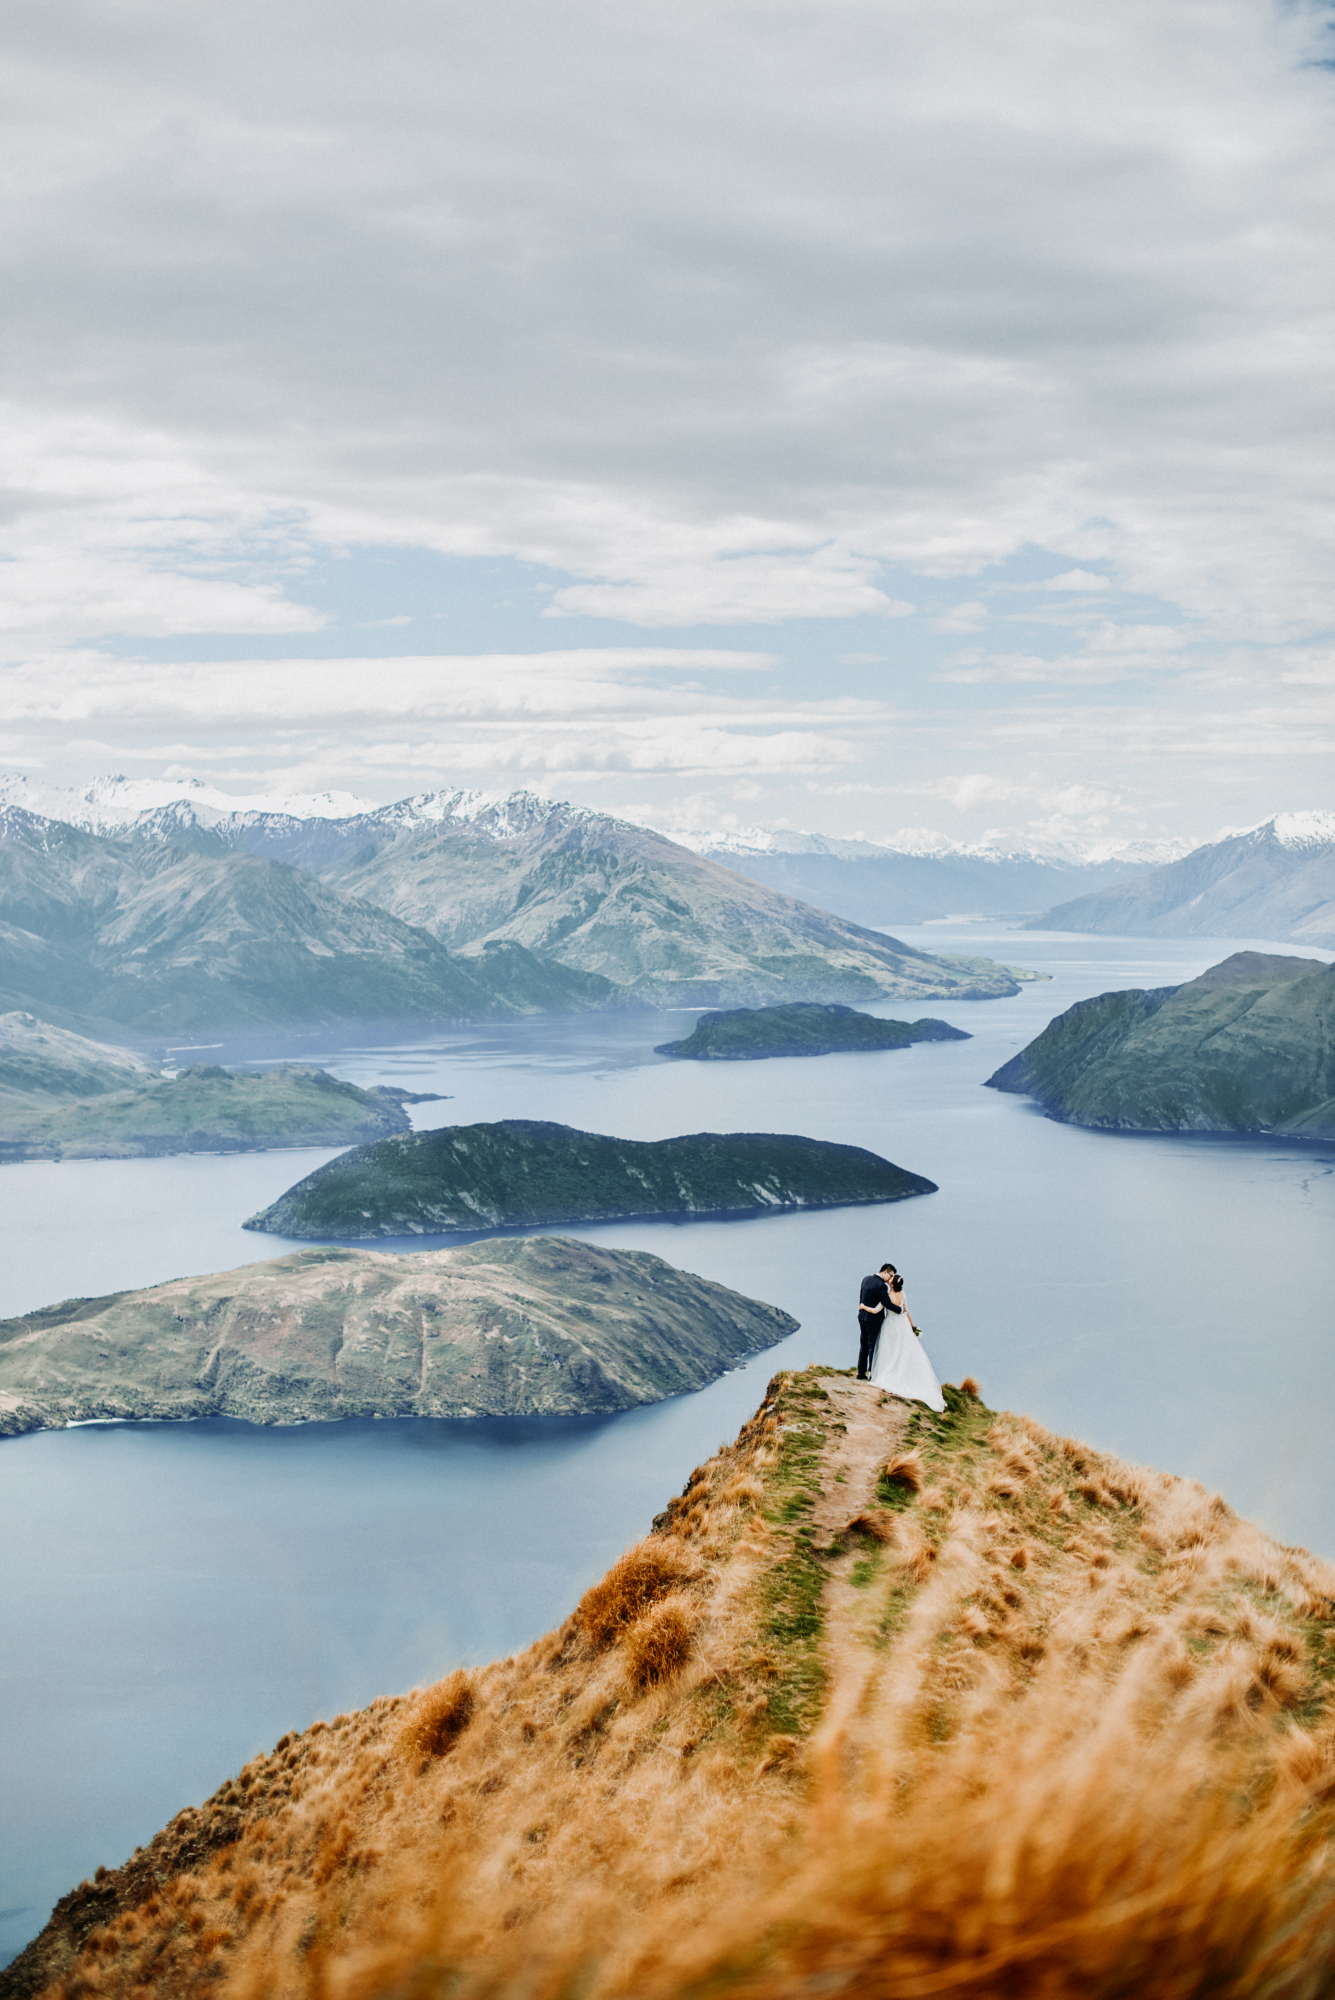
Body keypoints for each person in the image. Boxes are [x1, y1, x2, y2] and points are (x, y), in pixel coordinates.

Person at [868, 1269, 946, 1412]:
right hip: (902, 1324)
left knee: (890, 1351)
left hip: (890, 1325)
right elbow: (907, 1311)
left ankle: (888, 1373)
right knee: (904, 1350)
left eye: (891, 1279)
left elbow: (877, 1310)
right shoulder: (903, 1294)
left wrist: (863, 1306)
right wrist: (912, 1327)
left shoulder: (887, 1295)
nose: (889, 1279)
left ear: (892, 1285)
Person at [856, 1262, 897, 1380]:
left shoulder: (866, 1279)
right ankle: (872, 1373)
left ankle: (861, 1372)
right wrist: (900, 1310)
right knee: (872, 1347)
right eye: (891, 1275)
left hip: (862, 1317)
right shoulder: (881, 1286)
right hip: (873, 1320)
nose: (891, 1278)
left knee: (863, 1345)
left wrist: (861, 1309)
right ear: (885, 1272)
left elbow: (861, 1297)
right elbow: (887, 1303)